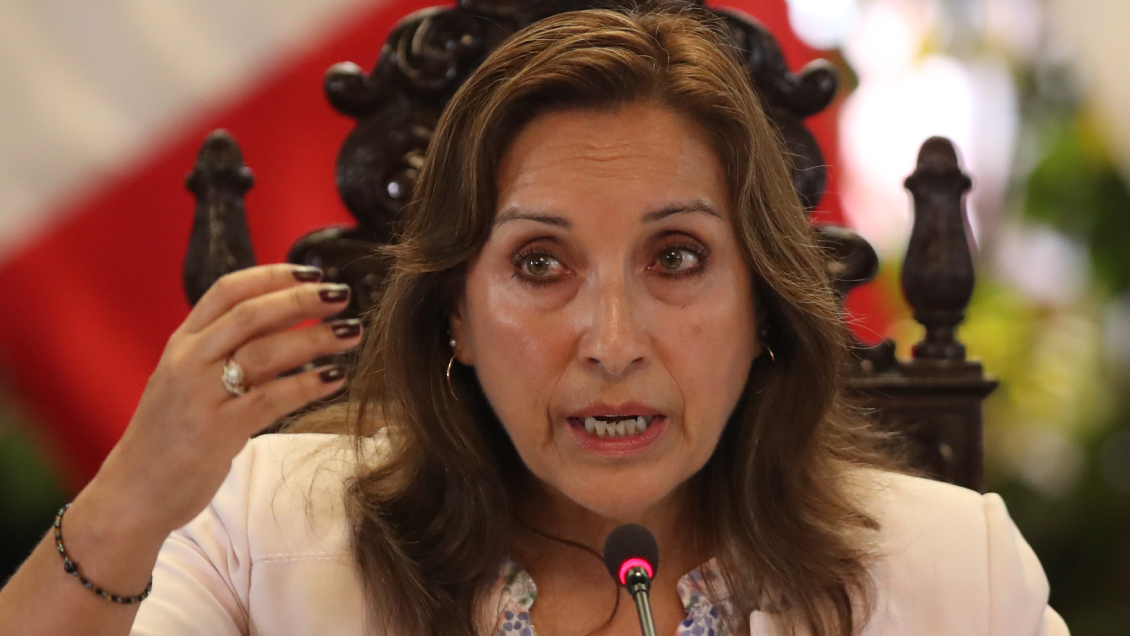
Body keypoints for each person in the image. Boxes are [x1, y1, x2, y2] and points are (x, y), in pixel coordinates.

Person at [0, 3, 1068, 635]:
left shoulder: (957, 572)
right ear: (455, 316)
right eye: (540, 264)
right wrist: (134, 497)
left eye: (677, 258)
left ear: (763, 307)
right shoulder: (258, 531)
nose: (612, 342)